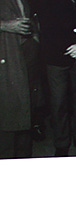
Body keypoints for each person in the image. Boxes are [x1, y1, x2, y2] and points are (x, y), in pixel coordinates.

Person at [35, 0, 76, 156]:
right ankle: (61, 143)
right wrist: (72, 47)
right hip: (56, 56)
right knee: (58, 101)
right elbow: (47, 26)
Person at [0, 0, 39, 158]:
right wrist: (4, 25)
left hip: (23, 59)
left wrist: (35, 38)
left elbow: (30, 20)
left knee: (24, 115)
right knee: (8, 118)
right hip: (5, 61)